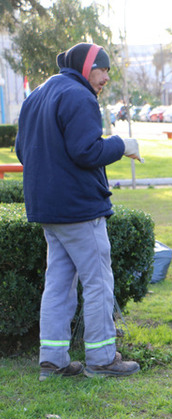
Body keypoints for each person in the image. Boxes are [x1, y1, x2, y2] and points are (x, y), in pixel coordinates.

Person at [15, 42, 144, 381]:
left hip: (47, 210)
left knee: (58, 284)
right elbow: (86, 151)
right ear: (88, 67)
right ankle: (102, 359)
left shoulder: (38, 95)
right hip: (78, 210)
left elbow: (22, 150)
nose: (106, 78)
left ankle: (53, 361)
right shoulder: (79, 95)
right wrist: (122, 144)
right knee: (99, 281)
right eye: (103, 69)